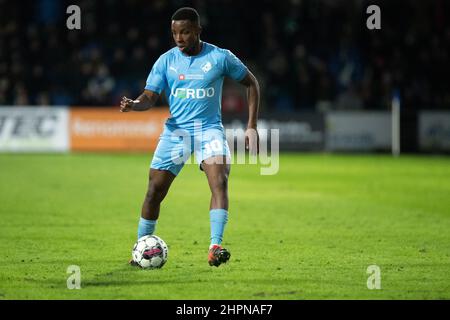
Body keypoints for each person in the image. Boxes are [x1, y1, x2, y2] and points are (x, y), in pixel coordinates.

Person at [120, 7, 260, 267]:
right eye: (174, 32)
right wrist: (134, 105)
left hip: (209, 130)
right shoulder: (166, 61)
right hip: (177, 132)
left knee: (219, 180)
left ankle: (214, 247)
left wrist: (251, 125)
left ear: (198, 30)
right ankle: (140, 250)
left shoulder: (220, 57)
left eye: (185, 32)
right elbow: (149, 96)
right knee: (154, 191)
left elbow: (251, 83)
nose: (179, 38)